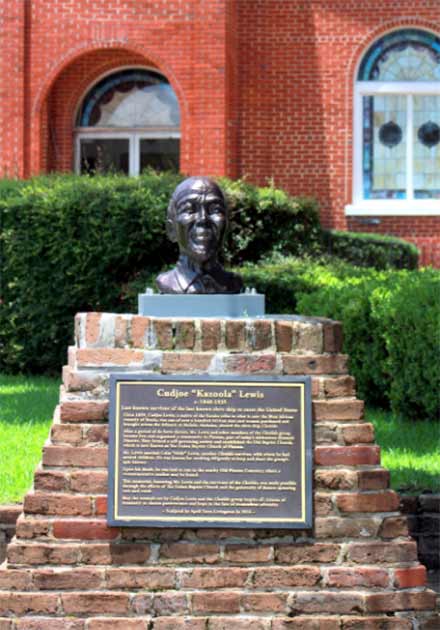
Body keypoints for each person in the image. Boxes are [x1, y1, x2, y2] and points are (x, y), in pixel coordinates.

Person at [156, 176, 243, 294]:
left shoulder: (232, 283)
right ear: (171, 229)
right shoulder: (166, 282)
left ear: (226, 227)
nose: (203, 219)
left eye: (215, 210)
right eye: (189, 210)